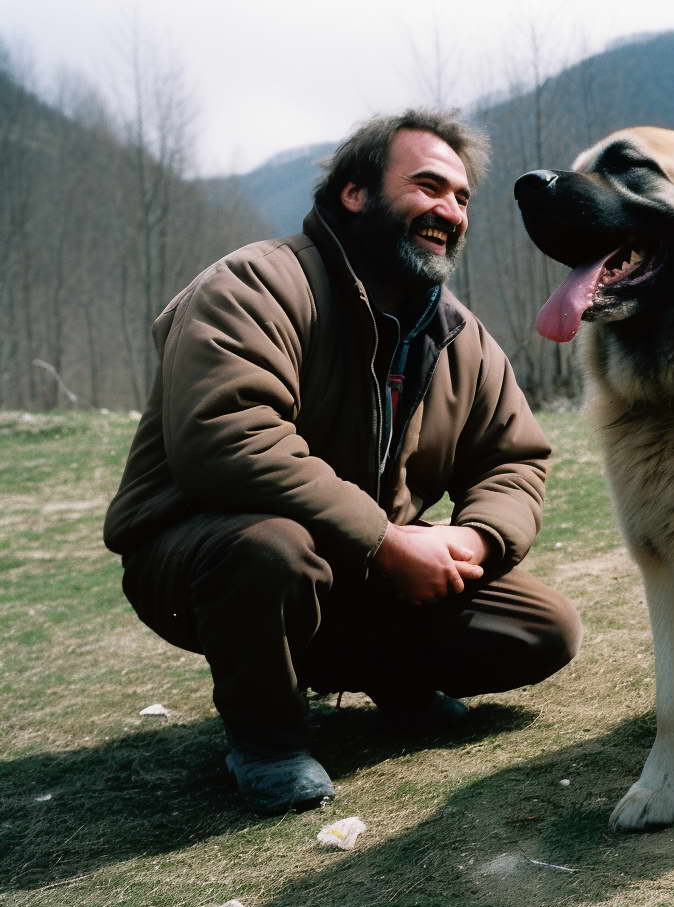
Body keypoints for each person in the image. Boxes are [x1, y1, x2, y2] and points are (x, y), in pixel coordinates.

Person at [103, 110, 581, 815]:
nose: (449, 210)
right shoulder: (255, 286)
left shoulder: (458, 335)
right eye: (427, 187)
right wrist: (386, 540)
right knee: (271, 549)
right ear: (356, 193)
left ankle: (385, 679)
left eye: (460, 197)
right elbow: (227, 438)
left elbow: (514, 459)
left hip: (360, 571)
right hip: (209, 557)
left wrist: (473, 538)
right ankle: (268, 741)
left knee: (543, 628)